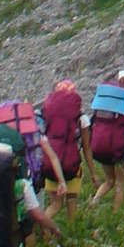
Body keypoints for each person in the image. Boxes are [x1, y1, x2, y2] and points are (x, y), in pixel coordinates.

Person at [87, 67, 124, 212]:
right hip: (120, 151)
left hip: (100, 148)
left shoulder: (103, 101)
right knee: (120, 184)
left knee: (109, 180)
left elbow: (92, 123)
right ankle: (115, 214)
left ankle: (93, 203)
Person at [40, 78, 84, 220]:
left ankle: (43, 228)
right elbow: (86, 144)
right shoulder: (80, 117)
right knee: (72, 200)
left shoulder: (47, 115)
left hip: (50, 162)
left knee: (55, 204)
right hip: (72, 163)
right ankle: (73, 229)